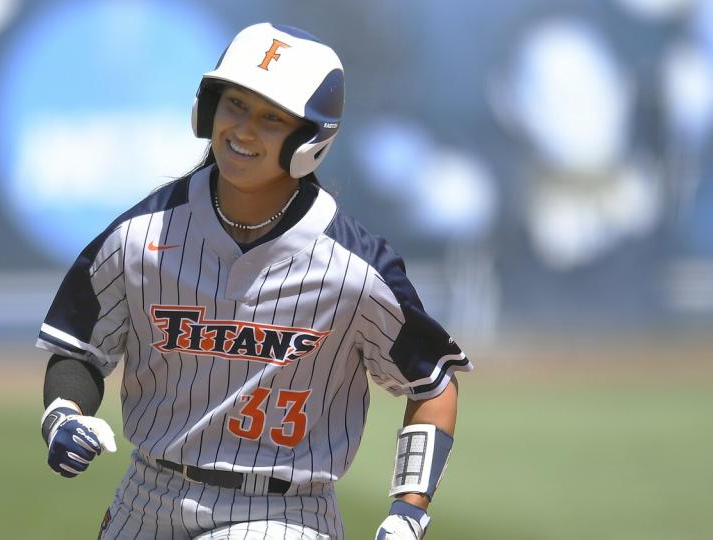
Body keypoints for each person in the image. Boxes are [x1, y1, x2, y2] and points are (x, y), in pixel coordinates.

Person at [36, 22, 471, 540]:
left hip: (282, 514)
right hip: (145, 498)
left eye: (270, 118)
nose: (243, 130)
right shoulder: (140, 237)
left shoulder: (352, 268)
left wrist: (409, 510)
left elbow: (431, 384)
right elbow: (81, 350)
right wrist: (63, 415)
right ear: (209, 107)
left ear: (310, 139)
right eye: (235, 104)